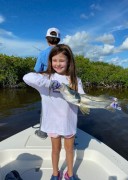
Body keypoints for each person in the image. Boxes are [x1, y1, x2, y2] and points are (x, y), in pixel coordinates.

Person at [23, 44, 85, 180]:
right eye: (54, 60)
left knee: (69, 150)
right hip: (52, 123)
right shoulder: (46, 79)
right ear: (50, 61)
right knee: (55, 150)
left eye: (61, 60)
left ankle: (70, 174)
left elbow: (84, 98)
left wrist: (107, 103)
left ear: (69, 61)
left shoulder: (75, 80)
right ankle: (55, 174)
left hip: (68, 123)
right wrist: (51, 84)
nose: (58, 63)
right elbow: (27, 77)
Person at [34, 27, 61, 138]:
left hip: (48, 84)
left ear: (47, 39)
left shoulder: (42, 53)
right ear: (59, 40)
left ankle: (43, 132)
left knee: (46, 107)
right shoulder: (64, 52)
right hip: (62, 84)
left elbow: (37, 70)